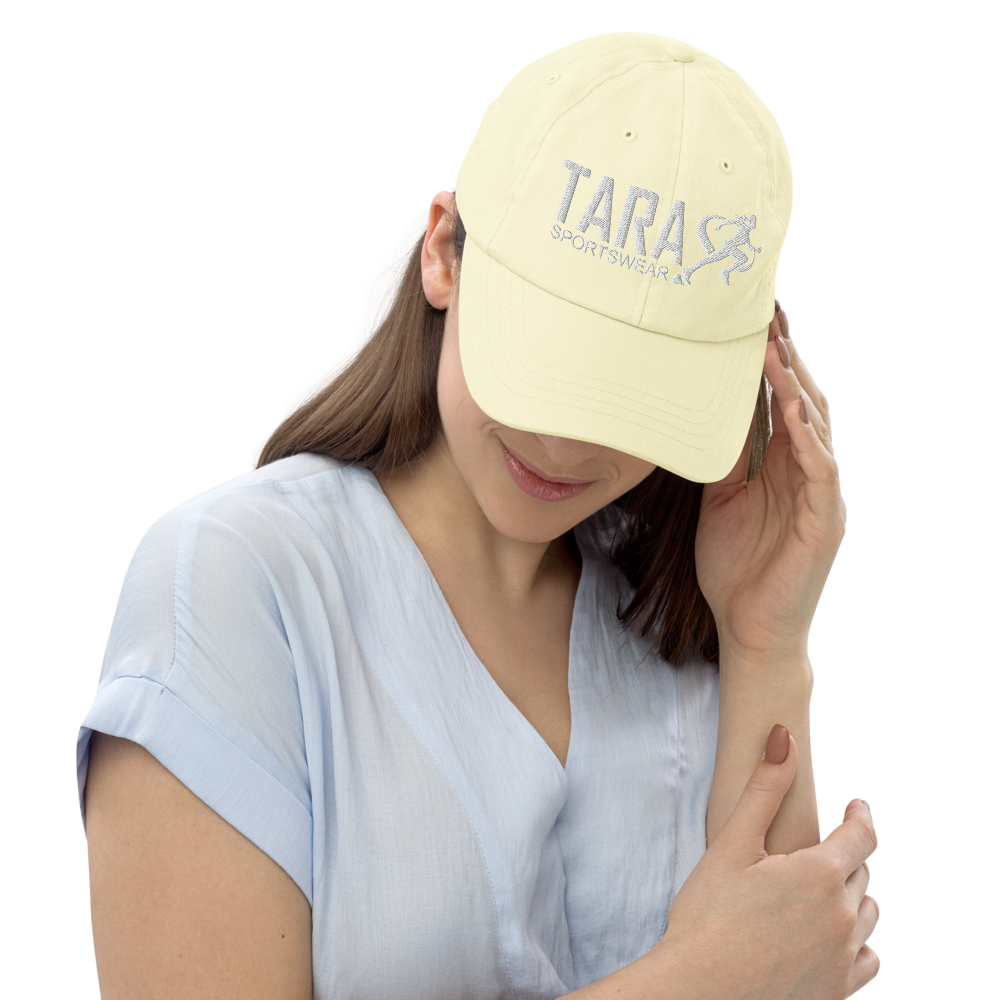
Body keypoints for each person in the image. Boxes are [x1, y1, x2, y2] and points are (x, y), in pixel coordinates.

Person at [79, 32, 880, 1000]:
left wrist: (765, 636)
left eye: (636, 399)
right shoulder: (236, 580)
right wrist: (697, 981)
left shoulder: (686, 597)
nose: (569, 448)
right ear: (443, 253)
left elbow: (789, 977)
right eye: (543, 364)